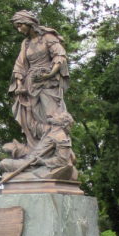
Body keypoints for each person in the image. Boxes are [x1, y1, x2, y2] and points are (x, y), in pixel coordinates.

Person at [9, 10, 71, 149]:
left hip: (48, 82)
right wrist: (19, 84)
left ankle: (58, 146)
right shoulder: (26, 43)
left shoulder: (48, 37)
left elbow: (59, 56)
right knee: (32, 116)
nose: (19, 30)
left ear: (28, 23)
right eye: (16, 27)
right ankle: (41, 147)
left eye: (20, 25)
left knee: (52, 114)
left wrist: (50, 74)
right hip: (30, 85)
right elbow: (20, 65)